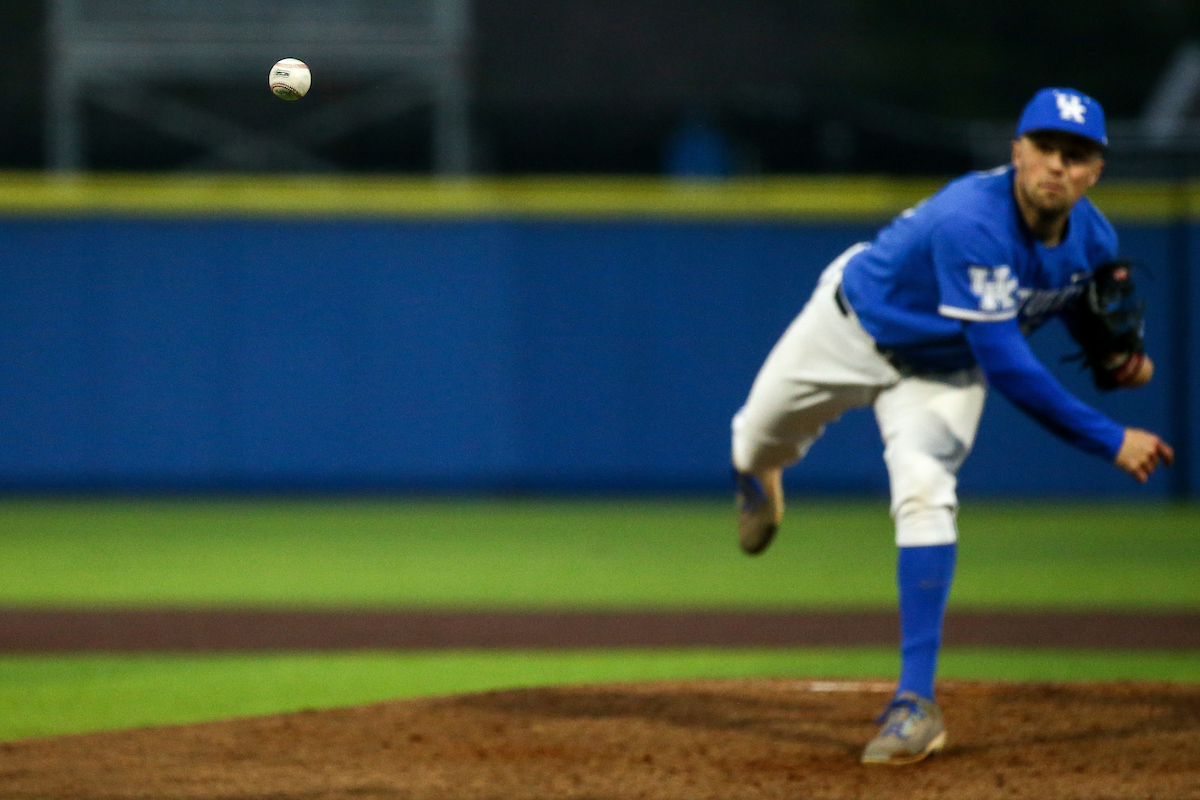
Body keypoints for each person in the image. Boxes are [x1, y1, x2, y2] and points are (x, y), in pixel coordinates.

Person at [729, 87, 1174, 765]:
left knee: (925, 490)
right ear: (1018, 151)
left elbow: (1077, 314)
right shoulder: (974, 219)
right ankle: (761, 473)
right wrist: (1109, 437)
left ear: (1096, 170)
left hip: (940, 372)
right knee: (753, 435)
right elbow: (1010, 365)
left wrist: (1121, 357)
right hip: (850, 328)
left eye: (1076, 154)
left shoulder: (1095, 239)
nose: (1058, 165)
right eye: (1046, 148)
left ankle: (915, 703)